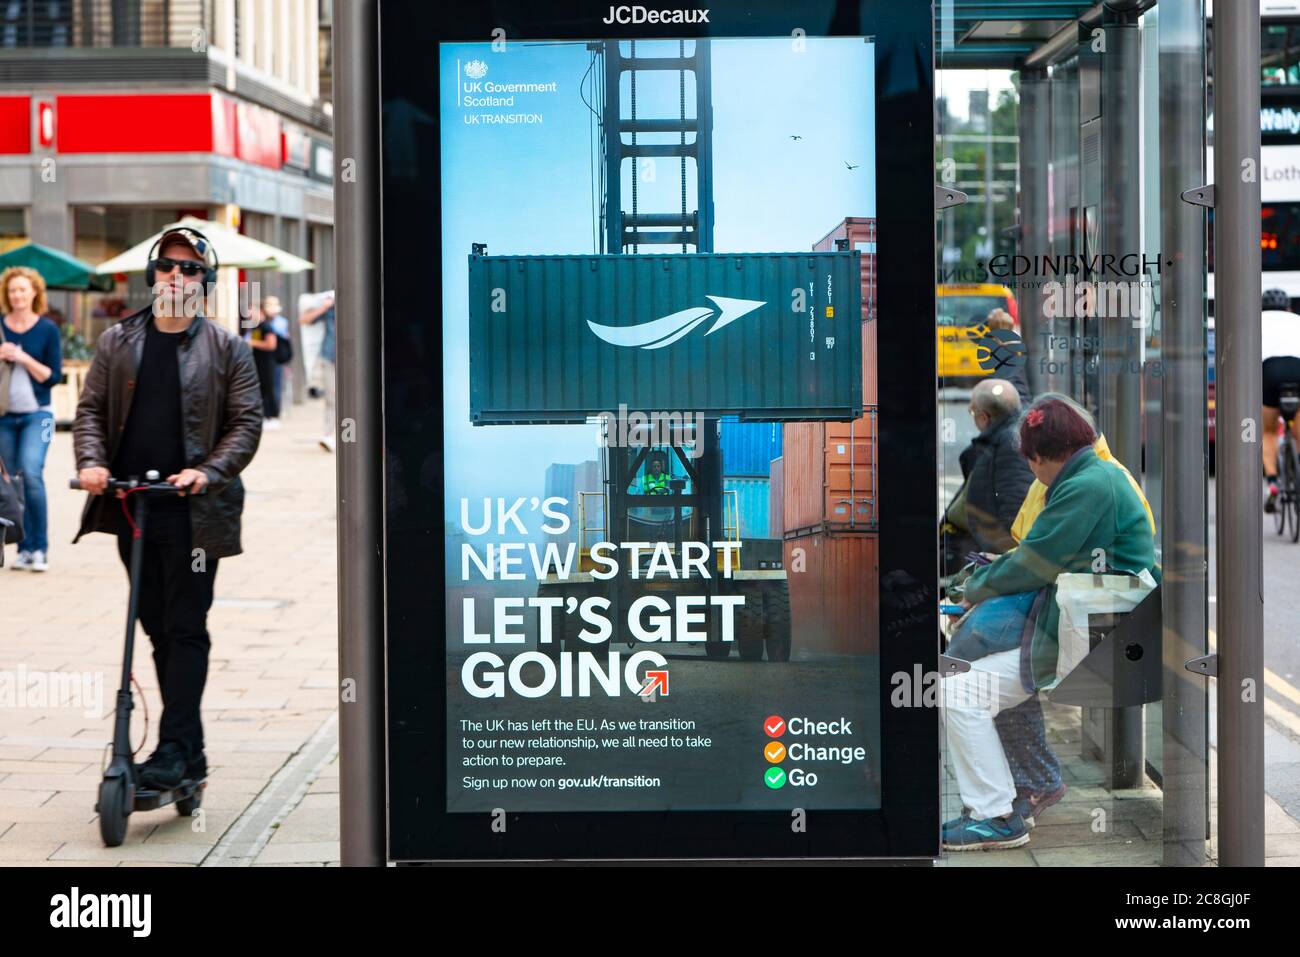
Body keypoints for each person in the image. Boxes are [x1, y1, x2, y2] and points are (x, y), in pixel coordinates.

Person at [72, 226, 262, 790]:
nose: (176, 277)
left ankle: (175, 748)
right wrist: (91, 462)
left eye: (190, 269)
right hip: (131, 505)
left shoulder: (228, 347)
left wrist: (207, 472)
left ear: (206, 283)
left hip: (194, 513)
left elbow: (246, 424)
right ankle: (190, 754)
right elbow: (88, 412)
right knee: (154, 624)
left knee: (184, 626)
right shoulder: (116, 342)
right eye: (167, 266)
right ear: (153, 274)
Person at [941, 396, 1156, 851]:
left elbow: (1035, 561)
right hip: (1083, 618)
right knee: (981, 677)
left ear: (1039, 457)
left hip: (1097, 632)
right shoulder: (1090, 474)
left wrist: (971, 588)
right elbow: (1041, 556)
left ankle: (995, 816)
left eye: (1032, 462)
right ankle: (1024, 790)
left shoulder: (1087, 485)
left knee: (958, 689)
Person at [0, 266, 62, 572]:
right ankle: (23, 549)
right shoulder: (0, 326)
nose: (17, 295)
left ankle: (40, 548)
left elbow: (54, 377)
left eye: (23, 289)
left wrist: (22, 357)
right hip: (4, 418)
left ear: (34, 292)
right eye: (12, 290)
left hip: (41, 416)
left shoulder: (48, 330)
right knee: (14, 482)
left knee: (33, 474)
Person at [958, 378, 1034, 554]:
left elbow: (1014, 507)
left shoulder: (1009, 444)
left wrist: (1003, 559)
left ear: (984, 417)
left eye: (972, 412)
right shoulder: (1004, 439)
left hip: (999, 555)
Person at [1261, 288, 1300, 513]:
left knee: (1269, 431)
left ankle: (1273, 482)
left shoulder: (1256, 320)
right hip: (1297, 366)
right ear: (1288, 307)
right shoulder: (1296, 319)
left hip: (1271, 369)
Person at [300, 292, 335, 452]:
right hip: (329, 357)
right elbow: (304, 320)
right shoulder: (329, 308)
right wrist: (324, 307)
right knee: (331, 398)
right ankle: (329, 435)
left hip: (354, 360)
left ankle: (352, 435)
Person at [244, 301, 281, 429]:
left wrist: (252, 343)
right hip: (257, 363)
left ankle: (272, 416)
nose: (248, 315)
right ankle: (264, 415)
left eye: (250, 311)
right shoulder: (254, 327)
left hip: (267, 363)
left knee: (268, 389)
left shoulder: (266, 326)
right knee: (260, 390)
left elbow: (271, 345)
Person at [262, 295, 292, 422]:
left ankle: (275, 413)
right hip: (266, 359)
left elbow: (275, 338)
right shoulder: (265, 323)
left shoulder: (279, 322)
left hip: (277, 358)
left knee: (276, 386)